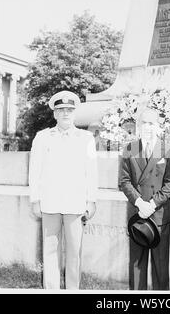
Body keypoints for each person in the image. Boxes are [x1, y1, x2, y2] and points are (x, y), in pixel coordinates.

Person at [29, 90, 98, 289]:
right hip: (50, 203)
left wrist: (91, 200)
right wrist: (35, 200)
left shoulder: (86, 138)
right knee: (50, 251)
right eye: (61, 110)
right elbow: (35, 171)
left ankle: (72, 290)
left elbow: (91, 172)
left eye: (69, 110)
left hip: (75, 203)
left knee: (74, 252)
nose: (65, 113)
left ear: (74, 113)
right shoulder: (42, 137)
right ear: (54, 114)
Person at [119, 106, 170, 290]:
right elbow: (124, 180)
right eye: (143, 123)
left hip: (159, 215)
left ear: (158, 126)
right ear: (137, 126)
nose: (147, 127)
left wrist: (152, 204)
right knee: (137, 266)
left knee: (161, 268)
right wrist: (139, 203)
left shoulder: (168, 148)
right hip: (137, 215)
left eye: (151, 123)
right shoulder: (129, 149)